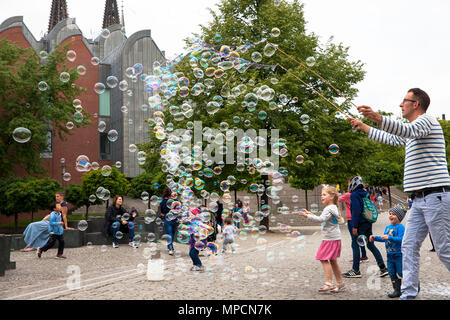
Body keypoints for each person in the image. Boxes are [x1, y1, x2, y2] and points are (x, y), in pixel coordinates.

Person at [351, 88, 450, 299]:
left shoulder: (427, 122)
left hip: (435, 196)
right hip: (419, 200)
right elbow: (393, 138)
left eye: (404, 101)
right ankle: (408, 294)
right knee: (408, 245)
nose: (400, 104)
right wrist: (365, 127)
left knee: (444, 249)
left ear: (416, 104)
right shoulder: (414, 134)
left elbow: (403, 131)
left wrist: (377, 116)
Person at [300, 186, 346, 293]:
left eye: (324, 194)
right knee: (333, 261)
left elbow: (321, 219)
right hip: (334, 238)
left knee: (323, 258)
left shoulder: (329, 208)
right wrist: (310, 214)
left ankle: (328, 282)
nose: (321, 196)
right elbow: (324, 218)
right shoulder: (333, 207)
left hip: (330, 239)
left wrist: (308, 217)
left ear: (332, 196)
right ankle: (340, 284)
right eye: (321, 194)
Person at [342, 176, 389, 278]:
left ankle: (355, 270)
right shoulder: (365, 193)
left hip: (360, 224)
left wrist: (355, 227)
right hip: (368, 222)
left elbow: (356, 212)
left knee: (355, 244)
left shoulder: (354, 195)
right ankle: (383, 268)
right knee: (370, 244)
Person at [370, 204, 407, 298]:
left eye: (393, 214)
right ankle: (396, 290)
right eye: (390, 213)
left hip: (398, 255)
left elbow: (401, 239)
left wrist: (389, 237)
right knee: (391, 272)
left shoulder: (401, 227)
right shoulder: (388, 227)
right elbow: (384, 238)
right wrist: (375, 238)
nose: (390, 215)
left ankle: (413, 283)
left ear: (399, 217)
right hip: (390, 256)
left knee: (401, 272)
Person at [338, 183, 368, 263]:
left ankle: (357, 259)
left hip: (351, 219)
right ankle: (364, 256)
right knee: (360, 238)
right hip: (360, 218)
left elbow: (339, 199)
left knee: (354, 240)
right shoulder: (360, 193)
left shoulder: (348, 195)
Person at [160, 187, 178, 256]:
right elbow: (178, 209)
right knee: (172, 234)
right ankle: (170, 247)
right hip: (174, 219)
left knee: (169, 233)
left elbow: (162, 212)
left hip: (167, 219)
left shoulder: (163, 202)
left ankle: (170, 246)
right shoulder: (175, 201)